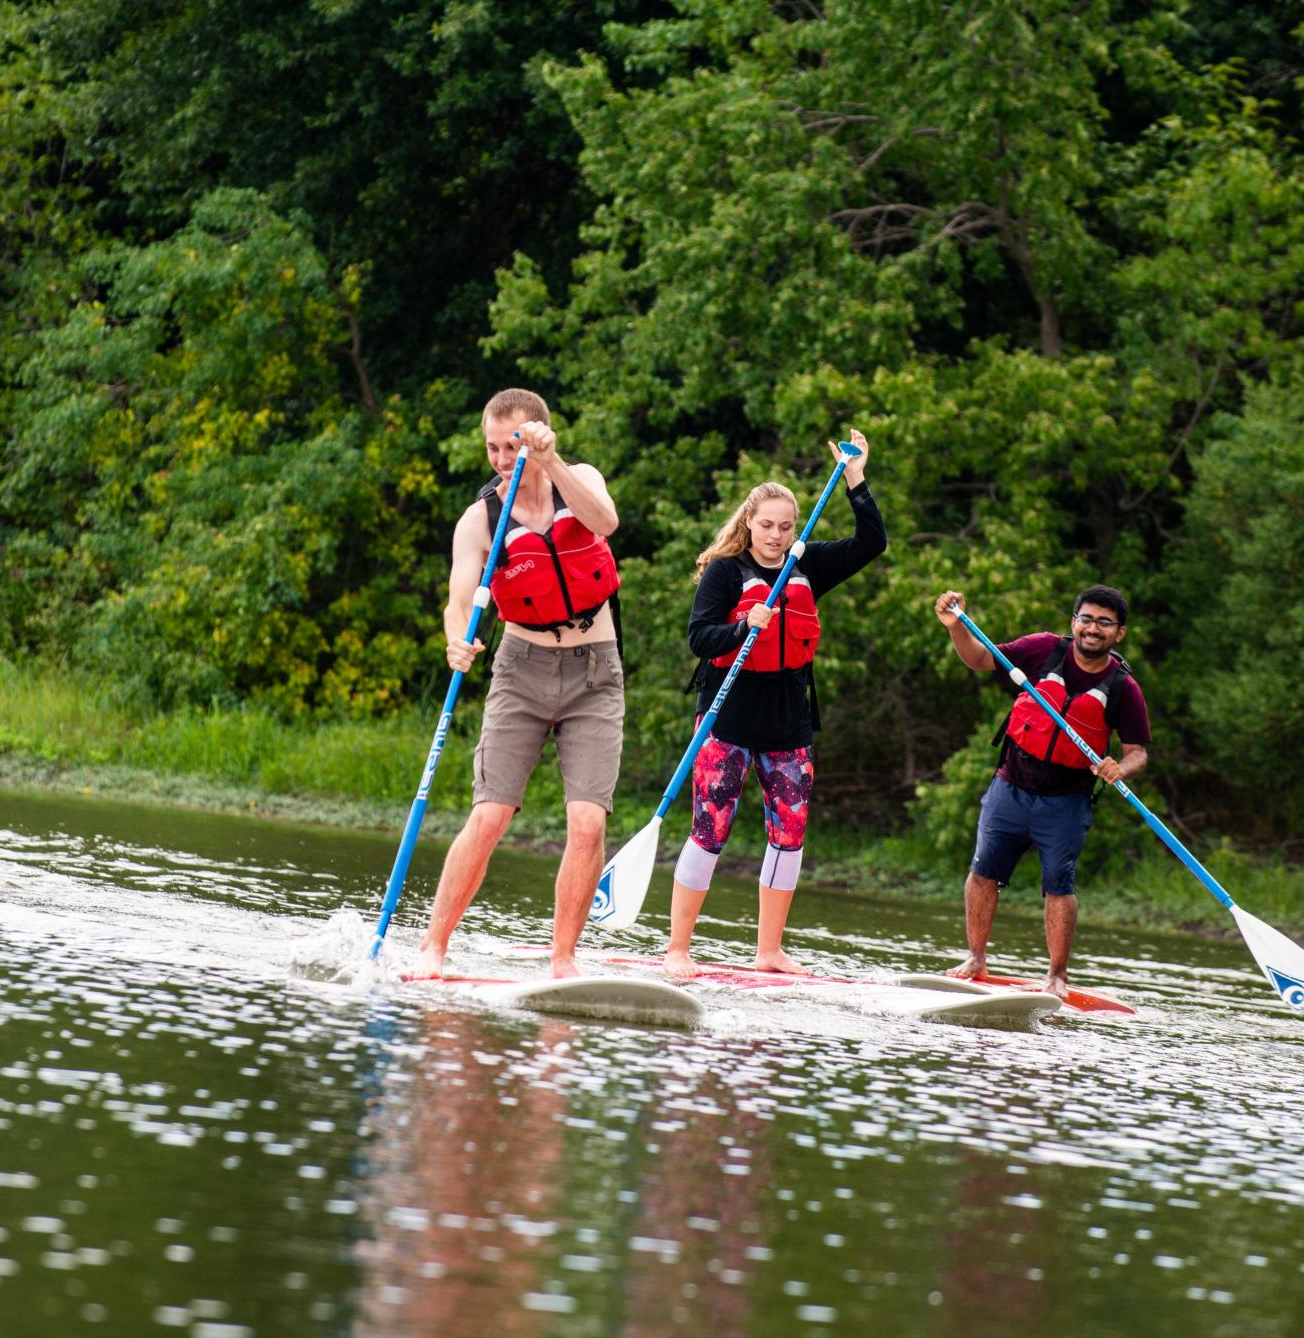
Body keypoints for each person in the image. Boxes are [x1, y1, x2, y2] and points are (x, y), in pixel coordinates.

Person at [412, 389, 624, 980]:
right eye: (492, 447)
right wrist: (457, 638)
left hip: (593, 671)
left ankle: (562, 963)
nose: (503, 459)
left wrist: (551, 463)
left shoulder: (577, 478)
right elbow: (460, 600)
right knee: (490, 816)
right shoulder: (480, 519)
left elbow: (605, 521)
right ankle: (433, 948)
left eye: (513, 445)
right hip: (520, 669)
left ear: (539, 437)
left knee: (588, 822)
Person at [663, 432, 883, 979]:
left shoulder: (806, 564)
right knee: (710, 828)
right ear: (749, 523)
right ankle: (677, 950)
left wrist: (856, 479)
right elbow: (699, 639)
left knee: (789, 834)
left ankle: (769, 951)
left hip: (789, 724)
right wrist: (743, 627)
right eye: (767, 526)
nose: (777, 536)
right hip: (727, 720)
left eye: (786, 527)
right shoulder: (725, 571)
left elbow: (870, 543)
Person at [932, 585, 1149, 993]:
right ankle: (976, 959)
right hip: (1011, 785)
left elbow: (1138, 752)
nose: (1093, 629)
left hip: (1066, 801)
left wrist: (1120, 767)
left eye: (1105, 623)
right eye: (1086, 619)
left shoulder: (1124, 688)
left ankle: (1056, 976)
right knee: (982, 873)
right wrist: (955, 627)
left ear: (1118, 633)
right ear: (1074, 622)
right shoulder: (1042, 650)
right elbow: (979, 658)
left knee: (1058, 886)